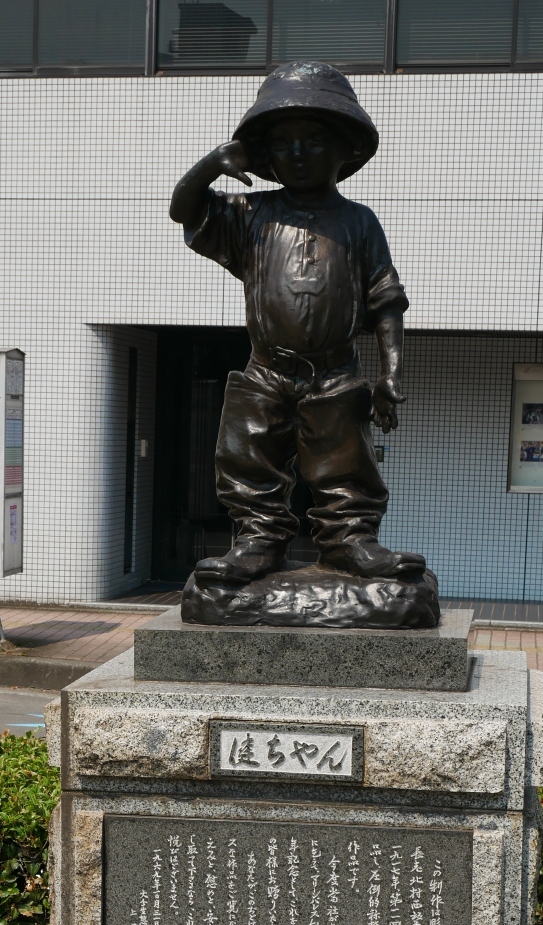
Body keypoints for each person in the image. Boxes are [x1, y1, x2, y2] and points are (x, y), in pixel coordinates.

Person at [169, 61, 425, 587]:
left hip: (336, 373)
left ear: (345, 148)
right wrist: (211, 165)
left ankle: (351, 540)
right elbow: (185, 211)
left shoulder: (359, 221)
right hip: (265, 370)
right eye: (283, 144)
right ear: (265, 155)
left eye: (314, 139)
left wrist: (391, 372)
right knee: (248, 456)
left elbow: (386, 299)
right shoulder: (250, 214)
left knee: (345, 464)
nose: (299, 153)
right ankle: (257, 541)